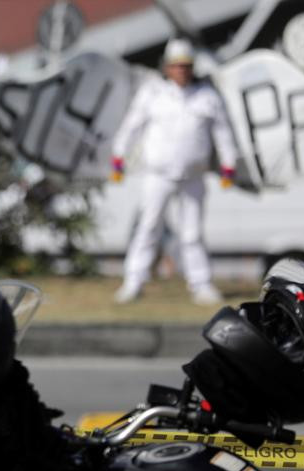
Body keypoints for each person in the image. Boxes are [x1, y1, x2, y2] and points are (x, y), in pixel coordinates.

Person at [110, 38, 238, 305]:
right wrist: (119, 155)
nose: (182, 71)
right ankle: (133, 281)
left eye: (186, 66)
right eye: (177, 66)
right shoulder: (152, 93)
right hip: (158, 174)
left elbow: (223, 131)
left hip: (193, 175)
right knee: (148, 227)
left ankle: (200, 284)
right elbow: (132, 125)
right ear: (167, 68)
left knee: (192, 232)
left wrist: (229, 163)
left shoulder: (207, 95)